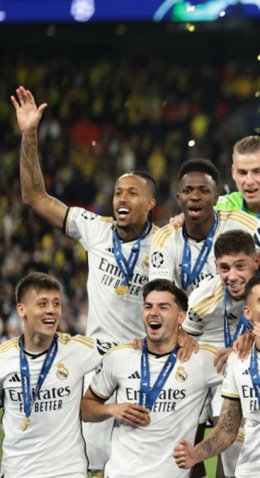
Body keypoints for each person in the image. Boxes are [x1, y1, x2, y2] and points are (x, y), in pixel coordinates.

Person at [12, 85, 158, 472]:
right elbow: (34, 196)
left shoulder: (168, 241)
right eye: (117, 192)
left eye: (132, 193)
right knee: (91, 465)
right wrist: (29, 134)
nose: (121, 198)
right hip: (98, 365)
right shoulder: (94, 227)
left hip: (147, 363)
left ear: (151, 204)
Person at [173, 275, 260, 476]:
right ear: (247, 312)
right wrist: (196, 454)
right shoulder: (238, 359)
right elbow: (227, 430)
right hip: (250, 470)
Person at [81, 279, 222, 478]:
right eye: (148, 306)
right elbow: (86, 409)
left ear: (181, 316)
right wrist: (111, 409)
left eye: (163, 307)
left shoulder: (202, 359)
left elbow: (247, 366)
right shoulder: (119, 356)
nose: (153, 312)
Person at [0, 273, 105, 478]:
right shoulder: (3, 359)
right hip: (18, 471)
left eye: (56, 303)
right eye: (42, 303)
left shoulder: (78, 349)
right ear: (22, 309)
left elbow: (124, 354)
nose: (52, 310)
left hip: (67, 471)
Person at [180, 229, 259, 475]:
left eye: (240, 266)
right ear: (215, 267)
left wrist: (252, 341)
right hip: (225, 370)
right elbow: (185, 343)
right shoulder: (203, 297)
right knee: (225, 430)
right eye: (225, 268)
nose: (232, 276)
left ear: (256, 262)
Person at [149, 158, 260, 294]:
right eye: (187, 191)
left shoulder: (243, 224)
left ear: (216, 198)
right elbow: (159, 296)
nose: (195, 196)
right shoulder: (165, 238)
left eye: (203, 190)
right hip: (189, 313)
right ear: (179, 199)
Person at [216, 135, 260, 226]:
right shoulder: (220, 210)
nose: (249, 181)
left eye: (257, 171)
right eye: (242, 172)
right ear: (233, 173)